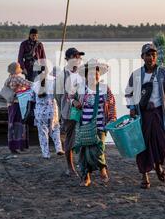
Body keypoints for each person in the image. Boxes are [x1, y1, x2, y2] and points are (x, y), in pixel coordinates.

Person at [125, 44, 165, 189]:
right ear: (142, 57)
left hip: (159, 114)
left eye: (153, 55)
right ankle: (144, 175)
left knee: (162, 145)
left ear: (156, 57)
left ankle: (158, 166)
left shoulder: (163, 73)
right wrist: (131, 107)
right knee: (142, 146)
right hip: (142, 116)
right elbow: (128, 93)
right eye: (147, 55)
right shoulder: (136, 74)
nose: (150, 58)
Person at [74, 59, 117, 187]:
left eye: (96, 73)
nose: (93, 75)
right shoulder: (81, 88)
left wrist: (112, 119)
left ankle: (102, 168)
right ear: (86, 76)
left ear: (99, 74)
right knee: (83, 152)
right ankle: (85, 177)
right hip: (83, 125)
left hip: (100, 125)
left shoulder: (105, 88)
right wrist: (74, 103)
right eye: (90, 73)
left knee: (98, 149)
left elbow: (112, 104)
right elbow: (70, 98)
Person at [55, 48, 85, 177]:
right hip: (69, 111)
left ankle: (84, 164)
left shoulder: (82, 73)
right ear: (67, 59)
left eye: (79, 57)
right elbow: (58, 95)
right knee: (70, 138)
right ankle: (70, 167)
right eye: (74, 57)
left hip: (83, 109)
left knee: (83, 137)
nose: (77, 59)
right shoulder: (62, 75)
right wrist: (65, 107)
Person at [32, 65, 64, 159]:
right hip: (52, 111)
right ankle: (58, 148)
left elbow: (32, 98)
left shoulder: (35, 84)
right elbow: (58, 95)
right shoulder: (53, 82)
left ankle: (46, 154)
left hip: (40, 112)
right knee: (55, 129)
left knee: (42, 133)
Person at [5, 62, 33, 155]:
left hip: (10, 104)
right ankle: (20, 145)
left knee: (12, 124)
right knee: (20, 123)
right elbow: (29, 84)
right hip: (18, 104)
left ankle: (13, 146)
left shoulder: (8, 79)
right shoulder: (17, 78)